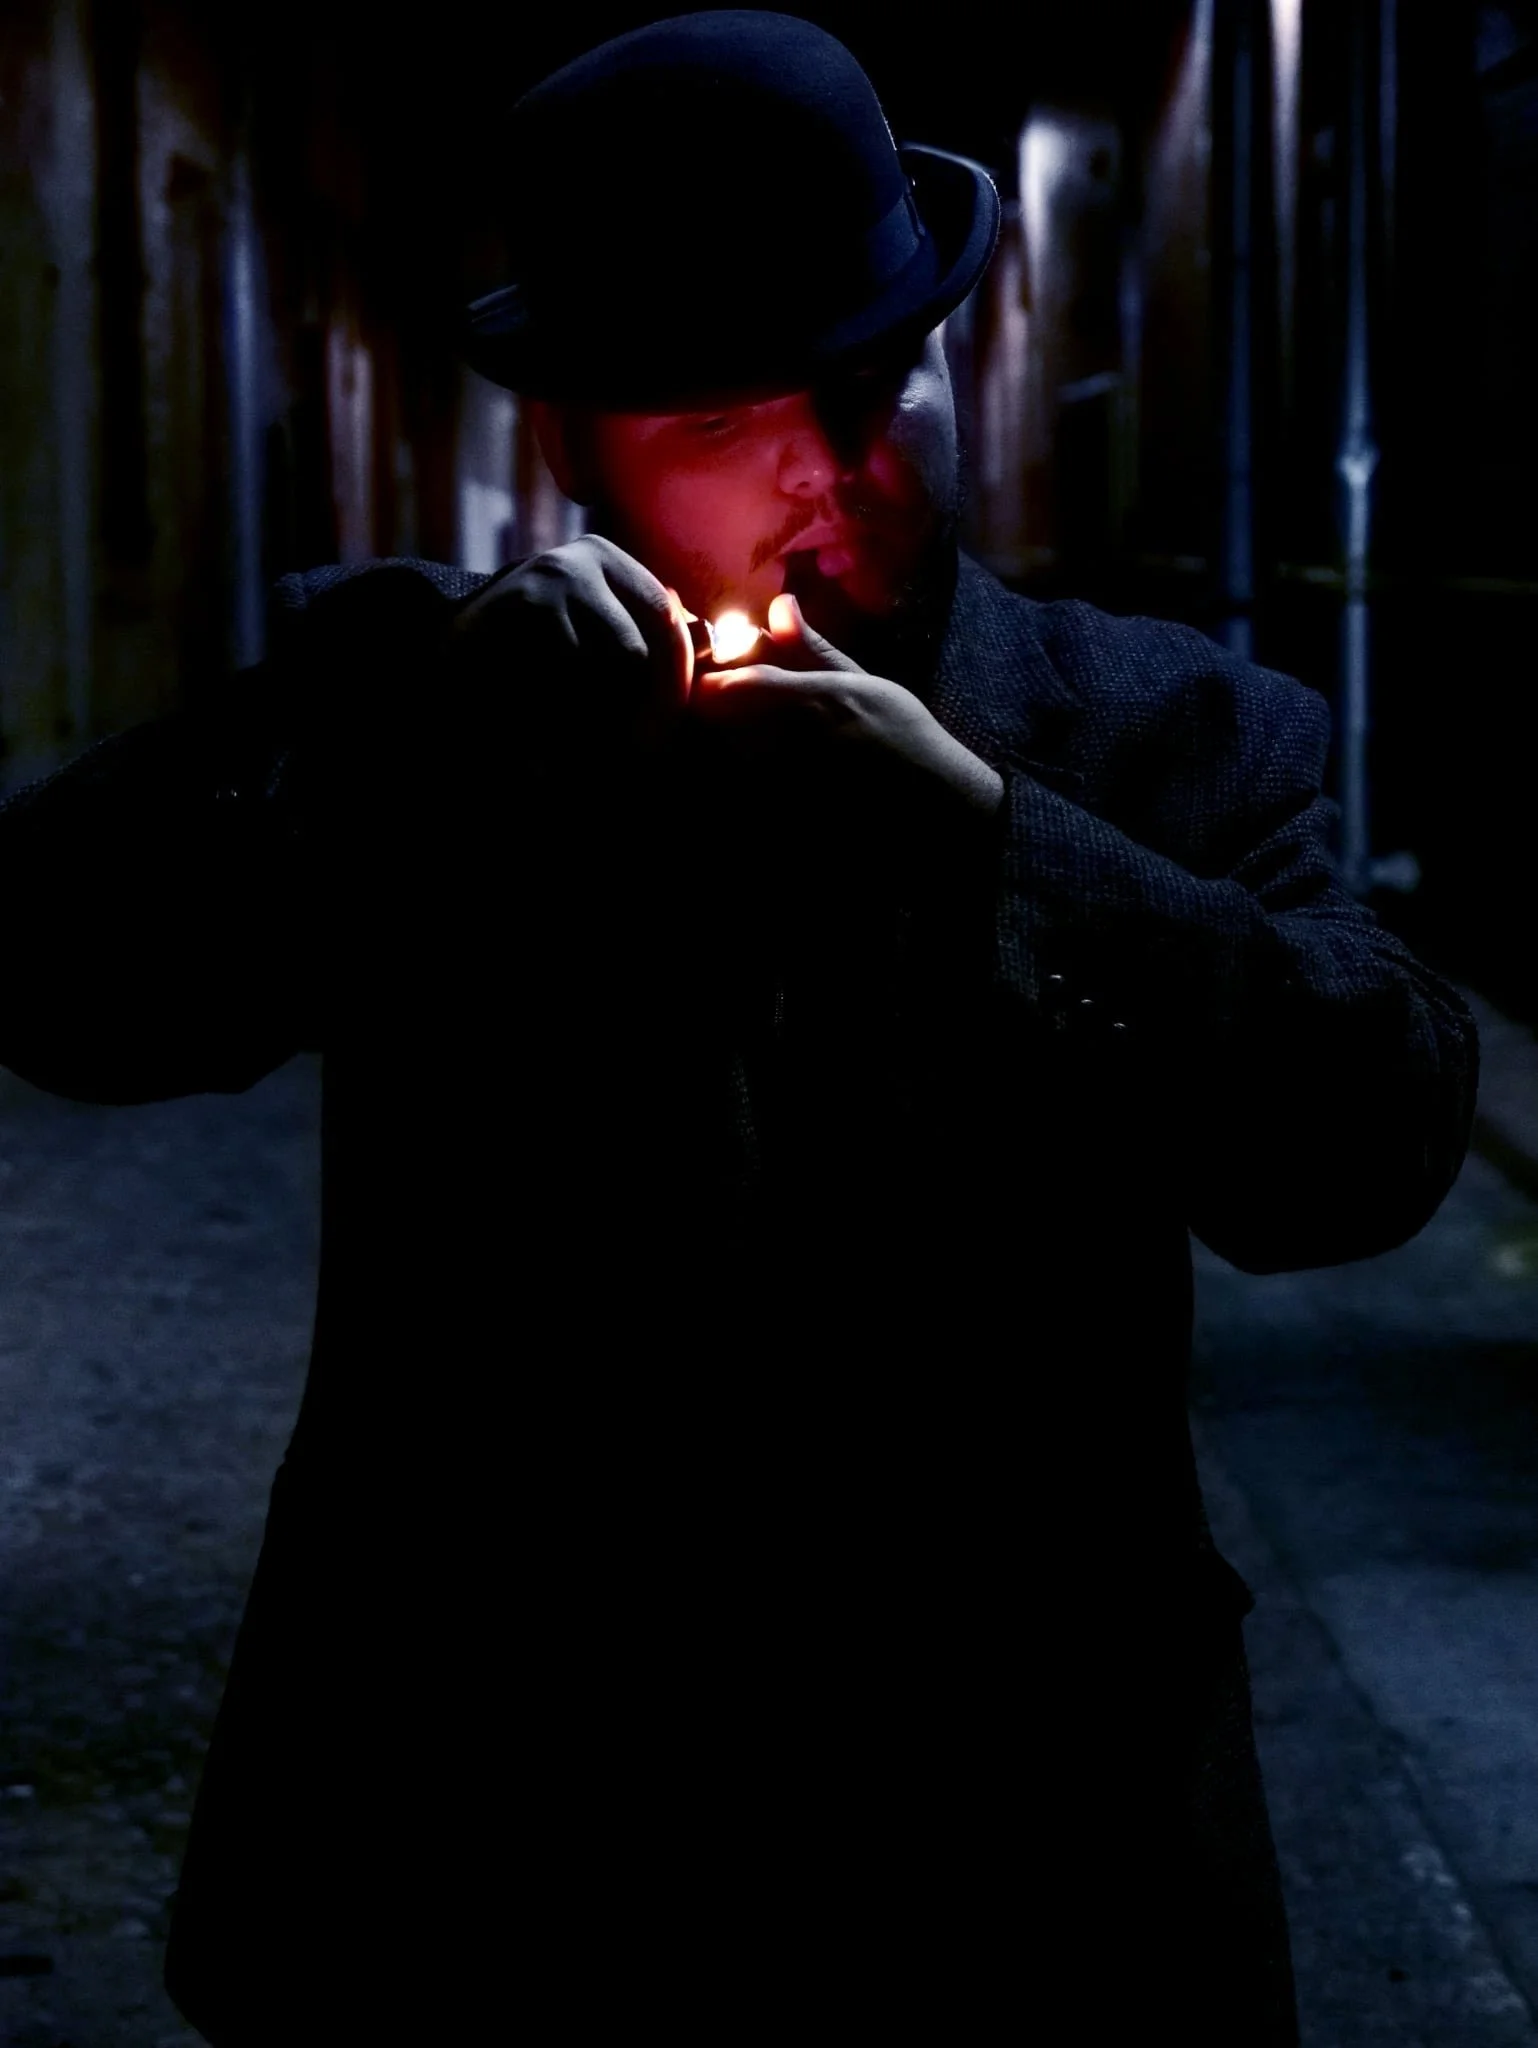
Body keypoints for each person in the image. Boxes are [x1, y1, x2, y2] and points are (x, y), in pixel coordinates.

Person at [0, 11, 1476, 2043]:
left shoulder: (1162, 732)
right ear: (578, 445)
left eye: (879, 385)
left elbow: (1364, 1146)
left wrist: (989, 837)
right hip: (489, 1862)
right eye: (725, 416)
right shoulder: (418, 699)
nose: (830, 473)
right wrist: (407, 757)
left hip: (1022, 1866)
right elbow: (61, 978)